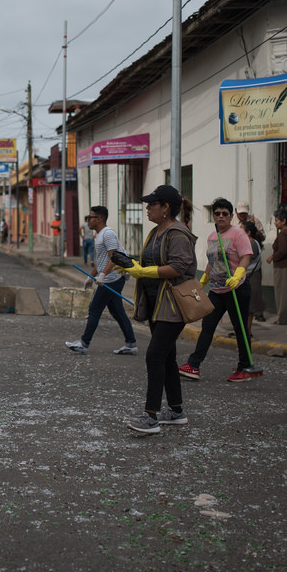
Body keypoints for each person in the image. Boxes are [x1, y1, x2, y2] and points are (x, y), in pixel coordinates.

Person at [117, 185, 197, 435]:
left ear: (166, 208)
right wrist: (132, 267)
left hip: (173, 304)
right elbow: (152, 262)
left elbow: (179, 266)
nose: (148, 208)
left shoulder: (178, 233)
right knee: (167, 357)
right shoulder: (155, 232)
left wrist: (144, 271)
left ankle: (150, 416)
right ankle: (175, 411)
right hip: (154, 302)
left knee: (154, 355)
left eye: (153, 204)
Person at [178, 197, 261, 382]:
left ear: (231, 216)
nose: (221, 216)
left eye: (225, 213)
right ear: (213, 216)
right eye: (217, 213)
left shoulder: (238, 234)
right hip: (216, 290)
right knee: (207, 327)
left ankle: (245, 367)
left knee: (240, 328)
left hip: (236, 288)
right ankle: (193, 365)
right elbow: (212, 261)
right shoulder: (212, 236)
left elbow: (246, 256)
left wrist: (239, 274)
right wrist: (203, 280)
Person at [64, 206, 138, 356]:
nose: (88, 220)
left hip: (113, 278)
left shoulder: (108, 234)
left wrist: (103, 275)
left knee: (94, 309)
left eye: (90, 217)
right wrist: (91, 277)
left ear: (99, 219)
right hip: (109, 278)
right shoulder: (99, 235)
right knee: (117, 311)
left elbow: (114, 257)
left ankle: (84, 344)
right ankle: (131, 343)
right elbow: (101, 260)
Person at [266, 208, 287, 325]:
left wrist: (272, 257)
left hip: (284, 266)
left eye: (276, 220)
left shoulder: (284, 234)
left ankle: (283, 318)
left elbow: (283, 251)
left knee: (282, 293)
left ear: (283, 221)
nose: (275, 223)